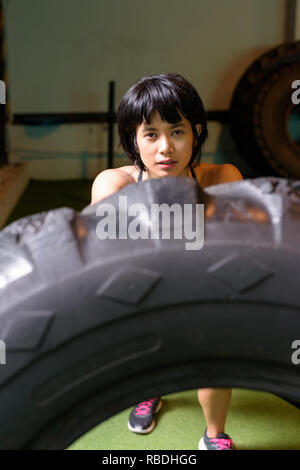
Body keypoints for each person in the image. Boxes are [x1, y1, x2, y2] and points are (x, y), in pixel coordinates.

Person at [91, 73, 243, 450]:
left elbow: (240, 248)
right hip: (142, 289)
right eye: (151, 134)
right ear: (133, 139)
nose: (165, 149)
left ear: (196, 133)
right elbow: (93, 247)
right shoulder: (115, 183)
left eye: (177, 131)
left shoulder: (223, 177)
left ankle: (215, 435)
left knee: (213, 340)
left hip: (206, 287)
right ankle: (151, 389)